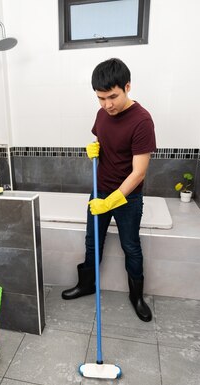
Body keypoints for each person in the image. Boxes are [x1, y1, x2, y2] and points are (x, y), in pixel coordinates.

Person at [61, 58, 156, 322]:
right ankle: (88, 284)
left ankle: (136, 297)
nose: (107, 105)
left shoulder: (142, 121)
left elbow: (139, 172)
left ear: (127, 86)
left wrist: (112, 201)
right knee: (92, 243)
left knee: (131, 246)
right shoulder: (103, 113)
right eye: (101, 98)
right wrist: (94, 148)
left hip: (127, 198)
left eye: (113, 97)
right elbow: (101, 140)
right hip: (99, 189)